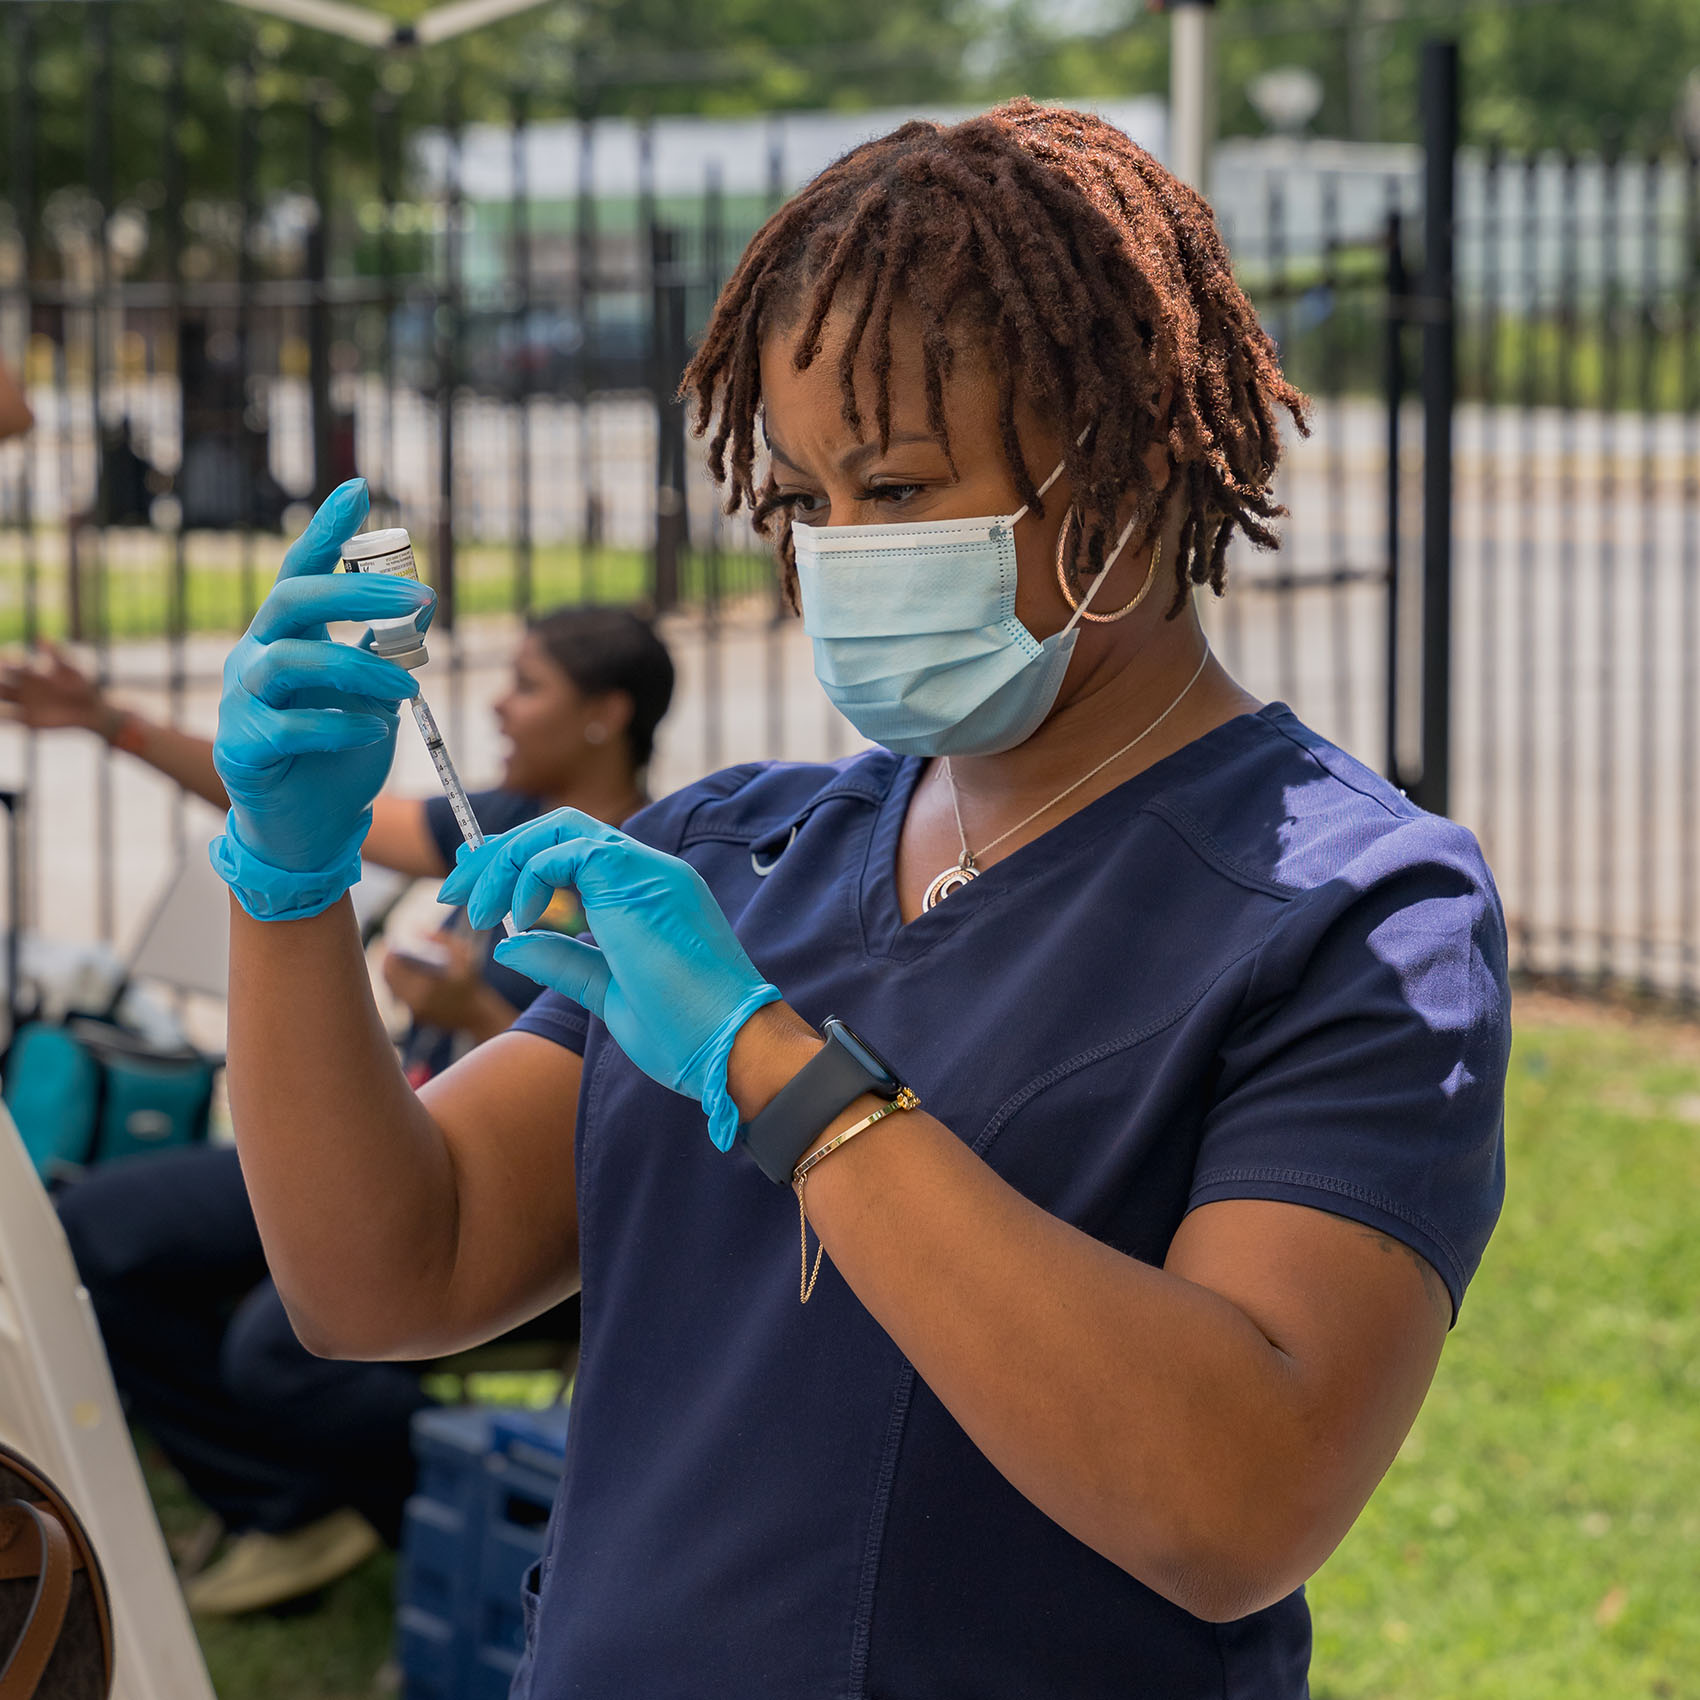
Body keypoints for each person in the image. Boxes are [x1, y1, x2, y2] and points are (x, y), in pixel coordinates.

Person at [207, 102, 1508, 1697]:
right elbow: (388, 1271)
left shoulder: (1348, 911)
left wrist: (779, 1072)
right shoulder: (741, 853)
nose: (839, 550)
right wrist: (282, 881)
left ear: (1131, 460)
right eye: (810, 498)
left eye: (895, 487)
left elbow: (1232, 1501)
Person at [39, 607, 673, 1615]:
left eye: (529, 683)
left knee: (279, 1342)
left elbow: (636, 1081)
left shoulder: (646, 867)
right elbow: (307, 811)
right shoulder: (496, 809)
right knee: (95, 1232)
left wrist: (471, 1013)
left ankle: (460, 1533)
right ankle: (285, 1500)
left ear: (606, 713)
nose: (500, 703)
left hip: (502, 1191)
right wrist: (108, 721)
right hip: (387, 1138)